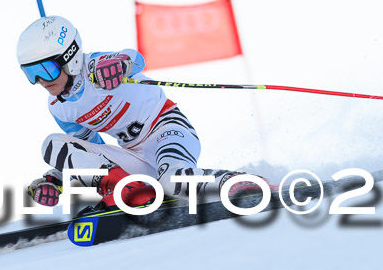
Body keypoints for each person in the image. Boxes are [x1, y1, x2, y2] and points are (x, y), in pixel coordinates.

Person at [17, 15, 264, 210]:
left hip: (167, 129)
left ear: (69, 58)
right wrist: (56, 179)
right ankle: (129, 189)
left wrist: (119, 64)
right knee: (52, 145)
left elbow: (135, 59)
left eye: (46, 69)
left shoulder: (94, 67)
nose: (41, 80)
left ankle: (240, 182)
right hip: (133, 156)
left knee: (172, 181)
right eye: (31, 73)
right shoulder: (59, 108)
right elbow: (88, 153)